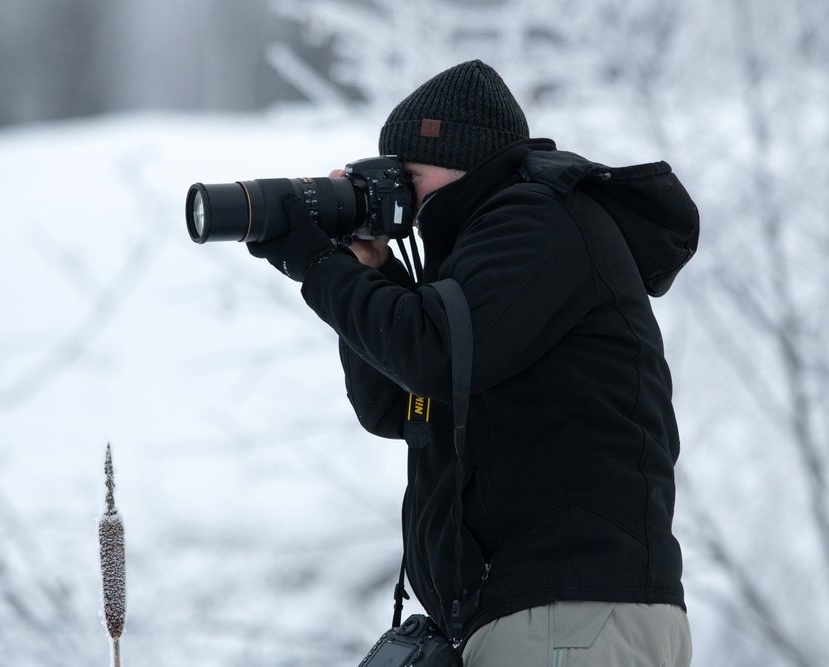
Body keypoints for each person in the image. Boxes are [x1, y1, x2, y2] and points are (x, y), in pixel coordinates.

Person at [246, 59, 698, 666]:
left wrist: (322, 270)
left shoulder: (538, 219)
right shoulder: (484, 257)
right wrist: (368, 271)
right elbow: (396, 405)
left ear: (461, 161)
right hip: (544, 617)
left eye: (406, 175)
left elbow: (432, 354)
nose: (395, 195)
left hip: (571, 614)